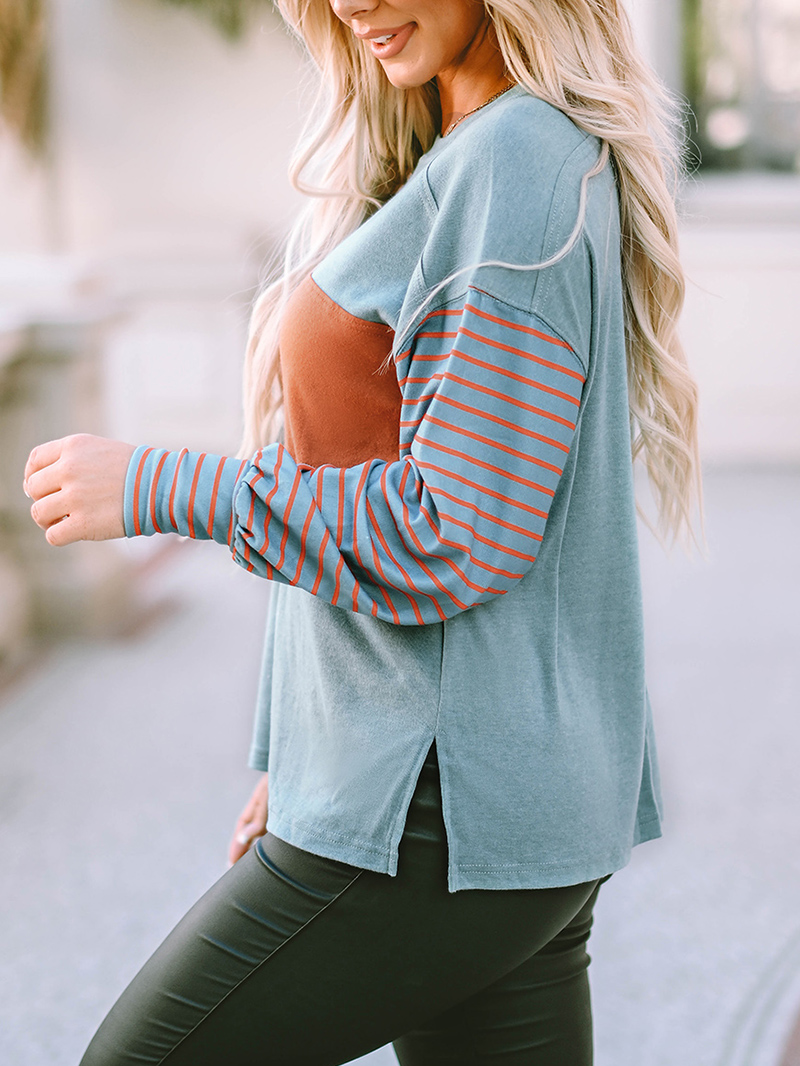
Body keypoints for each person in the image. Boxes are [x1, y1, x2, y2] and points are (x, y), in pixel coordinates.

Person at [23, 1, 701, 1063]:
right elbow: (369, 481)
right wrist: (299, 757)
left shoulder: (519, 162)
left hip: (437, 815)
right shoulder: (461, 145)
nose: (350, 3)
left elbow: (451, 531)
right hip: (468, 808)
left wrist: (162, 486)